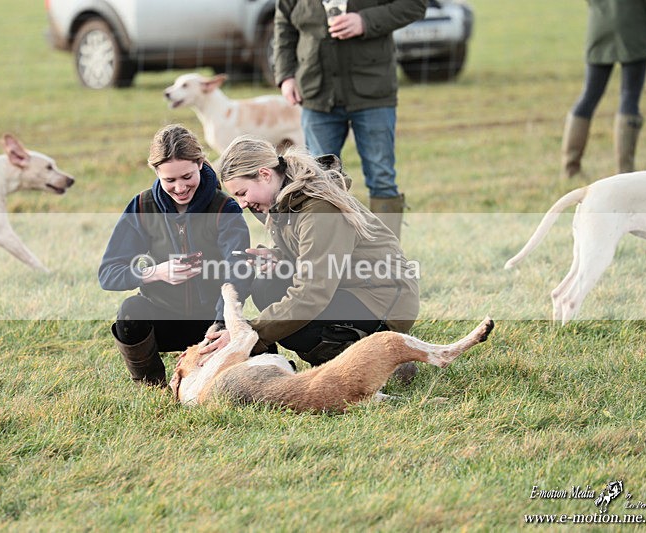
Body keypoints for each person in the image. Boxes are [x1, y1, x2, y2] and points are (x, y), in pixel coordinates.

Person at [202, 136, 420, 383]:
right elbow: (316, 257)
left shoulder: (319, 209)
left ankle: (381, 366)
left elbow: (312, 292)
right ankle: (352, 361)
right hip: (350, 287)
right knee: (268, 286)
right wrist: (279, 258)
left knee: (293, 318)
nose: (242, 204)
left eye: (242, 193)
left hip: (383, 298)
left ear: (264, 174)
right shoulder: (286, 202)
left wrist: (250, 334)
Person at [98, 125, 251, 386]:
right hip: (163, 319)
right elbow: (108, 274)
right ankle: (150, 383)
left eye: (187, 176)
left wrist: (221, 325)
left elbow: (239, 269)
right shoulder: (142, 206)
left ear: (201, 163)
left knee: (261, 355)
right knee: (130, 312)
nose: (180, 187)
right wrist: (155, 272)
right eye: (170, 180)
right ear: (156, 172)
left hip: (211, 320)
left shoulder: (225, 207)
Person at [274, 0, 428, 240]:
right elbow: (284, 23)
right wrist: (285, 75)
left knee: (382, 179)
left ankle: (387, 259)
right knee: (318, 182)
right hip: (317, 92)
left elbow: (414, 5)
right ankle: (328, 256)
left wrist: (365, 21)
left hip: (373, 90)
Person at [562, 0, 646, 178]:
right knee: (629, 96)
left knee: (589, 95)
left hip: (599, 27)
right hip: (634, 28)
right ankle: (625, 171)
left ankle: (570, 168)